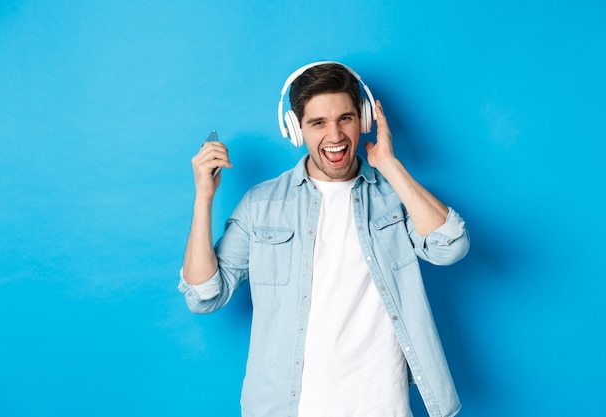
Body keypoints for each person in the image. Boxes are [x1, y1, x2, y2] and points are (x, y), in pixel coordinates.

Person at [178, 62, 470, 417]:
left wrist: (389, 164)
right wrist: (203, 197)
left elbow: (451, 246)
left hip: (382, 406)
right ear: (296, 130)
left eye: (345, 118)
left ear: (363, 120)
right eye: (318, 123)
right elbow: (204, 295)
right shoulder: (261, 204)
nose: (335, 136)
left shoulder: (395, 197)